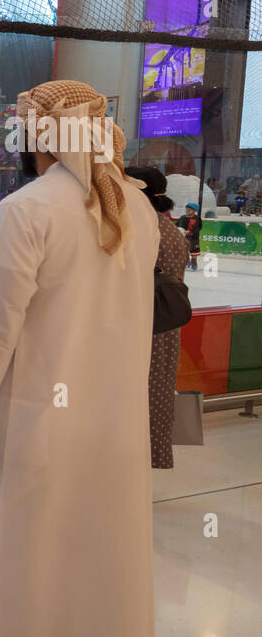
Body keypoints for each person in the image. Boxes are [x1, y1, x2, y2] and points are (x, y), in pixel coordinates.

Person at [0, 80, 159, 637]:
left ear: (36, 135)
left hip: (37, 416)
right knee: (99, 549)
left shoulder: (27, 209)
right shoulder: (141, 208)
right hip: (114, 418)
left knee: (24, 547)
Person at [128, 167, 189, 469]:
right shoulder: (171, 231)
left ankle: (128, 467)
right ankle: (150, 458)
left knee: (133, 396)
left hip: (139, 327)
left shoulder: (141, 228)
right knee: (158, 393)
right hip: (166, 328)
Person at [176, 202, 201, 270]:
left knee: (194, 252)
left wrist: (190, 231)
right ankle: (187, 261)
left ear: (194, 211)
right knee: (184, 250)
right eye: (186, 209)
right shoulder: (182, 217)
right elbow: (178, 225)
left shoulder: (197, 218)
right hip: (184, 238)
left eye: (189, 209)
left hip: (194, 238)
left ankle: (194, 261)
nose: (187, 210)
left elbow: (198, 227)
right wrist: (179, 230)